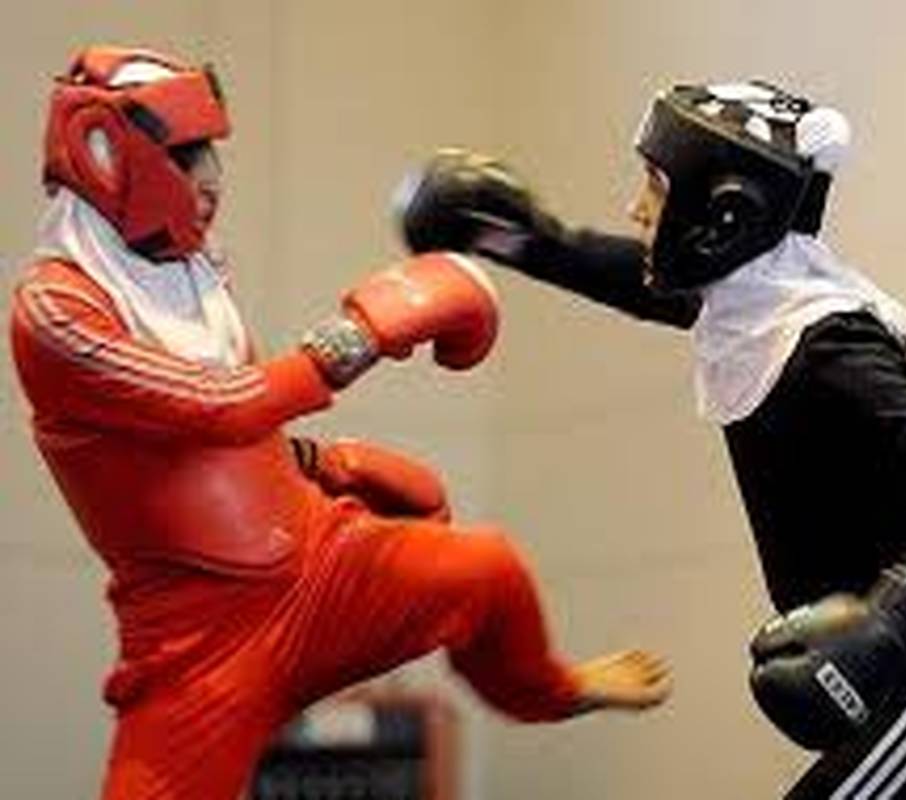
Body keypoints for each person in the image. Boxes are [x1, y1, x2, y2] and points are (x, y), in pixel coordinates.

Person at [398, 81, 906, 798]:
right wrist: (510, 237)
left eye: (655, 187)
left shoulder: (825, 342)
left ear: (722, 214)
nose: (636, 207)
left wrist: (889, 614)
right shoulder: (760, 313)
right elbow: (640, 284)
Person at [8, 45, 670, 800]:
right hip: (200, 639)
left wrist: (318, 464)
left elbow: (194, 438)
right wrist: (361, 336)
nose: (211, 177)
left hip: (320, 567)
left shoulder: (186, 273)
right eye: (187, 155)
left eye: (211, 152)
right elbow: (214, 406)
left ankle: (552, 689)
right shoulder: (54, 308)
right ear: (104, 154)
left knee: (488, 570)